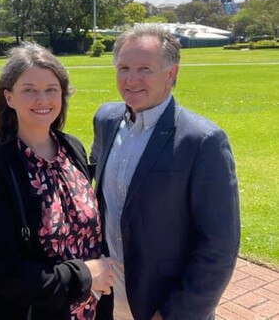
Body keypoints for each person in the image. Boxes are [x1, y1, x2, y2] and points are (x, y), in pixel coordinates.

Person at [90, 24, 240, 320]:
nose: (131, 80)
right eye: (123, 68)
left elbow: (219, 245)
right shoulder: (106, 119)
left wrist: (174, 314)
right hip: (107, 298)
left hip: (161, 306)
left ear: (171, 73)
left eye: (145, 69)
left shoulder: (202, 141)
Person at [0, 42, 114, 320]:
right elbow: (2, 272)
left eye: (51, 89)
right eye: (29, 90)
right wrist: (84, 276)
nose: (42, 99)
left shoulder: (72, 148)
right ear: (9, 98)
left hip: (89, 311)